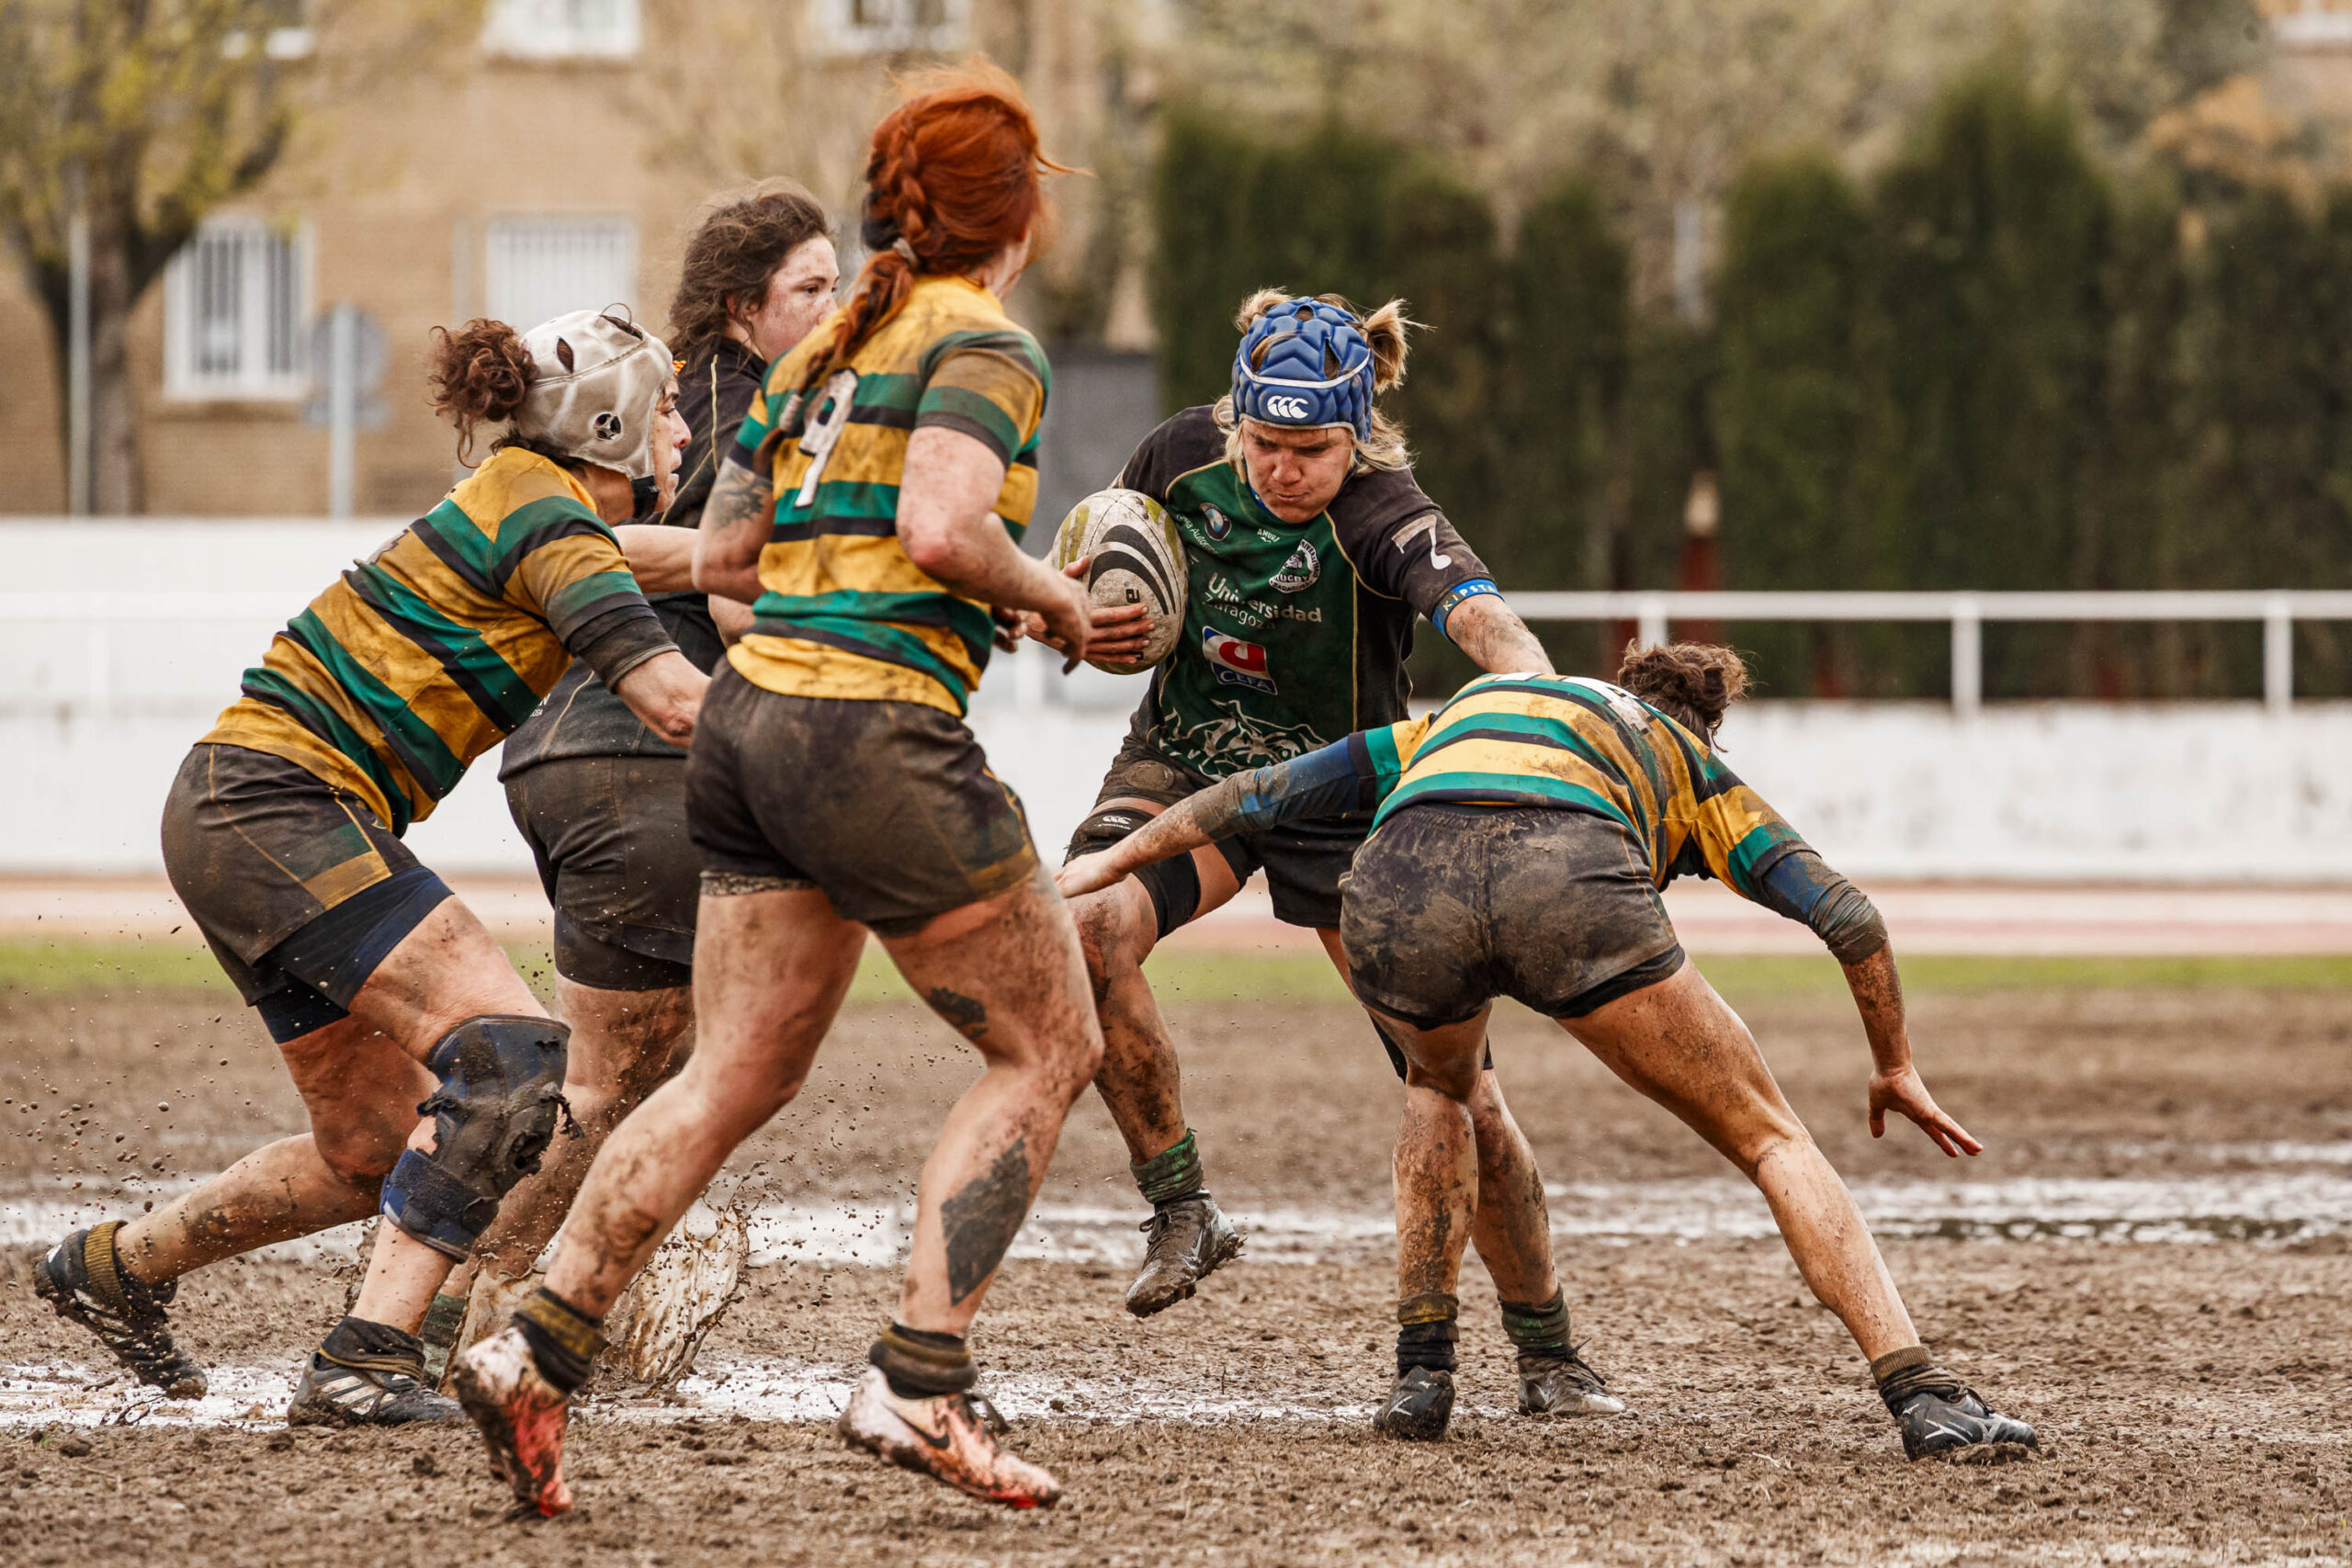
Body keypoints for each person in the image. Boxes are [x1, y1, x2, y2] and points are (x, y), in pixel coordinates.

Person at [453, 62, 1102, 1515]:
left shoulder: (823, 353)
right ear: (1019, 215)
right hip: (869, 734)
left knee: (731, 1071)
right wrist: (1050, 592)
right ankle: (920, 1380)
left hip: (748, 732)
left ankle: (536, 1350)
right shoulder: (979, 337)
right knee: (1053, 1043)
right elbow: (943, 524)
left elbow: (734, 552)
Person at [1059, 643, 2041, 1461]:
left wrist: (1112, 860)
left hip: (1402, 881)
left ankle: (1421, 1377)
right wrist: (1894, 1063)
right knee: (1770, 1137)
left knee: (1439, 1090)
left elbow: (1264, 793)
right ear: (1701, 721)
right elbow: (1849, 917)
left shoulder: (1480, 706)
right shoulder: (1684, 756)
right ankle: (1923, 1397)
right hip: (1567, 877)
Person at [35, 310, 707, 1427]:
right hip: (274, 805)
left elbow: (705, 556)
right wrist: (857, 730)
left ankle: (115, 1268)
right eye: (670, 405)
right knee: (515, 1060)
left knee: (369, 1155)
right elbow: (676, 702)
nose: (684, 427)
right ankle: (366, 1356)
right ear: (612, 422)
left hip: (236, 807)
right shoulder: (554, 524)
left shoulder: (523, 500)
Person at [1039, 289, 1616, 1416]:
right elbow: (1087, 559)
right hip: (1186, 768)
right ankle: (1181, 1206)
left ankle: (1547, 1350)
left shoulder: (1386, 513)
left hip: (1344, 802)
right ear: (1235, 417)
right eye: (1265, 443)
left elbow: (1485, 622)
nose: (1282, 469)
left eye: (1311, 449)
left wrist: (1544, 701)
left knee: (1456, 1089)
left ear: (1357, 434)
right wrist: (1066, 612)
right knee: (1084, 928)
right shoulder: (1176, 456)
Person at [429, 186, 842, 1366]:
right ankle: (454, 1307)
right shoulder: (748, 413)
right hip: (639, 756)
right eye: (811, 288)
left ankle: (538, 1296)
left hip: (560, 754)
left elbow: (602, 553)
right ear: (740, 306)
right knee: (615, 1085)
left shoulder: (672, 403)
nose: (837, 307)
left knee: (645, 1066)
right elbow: (727, 588)